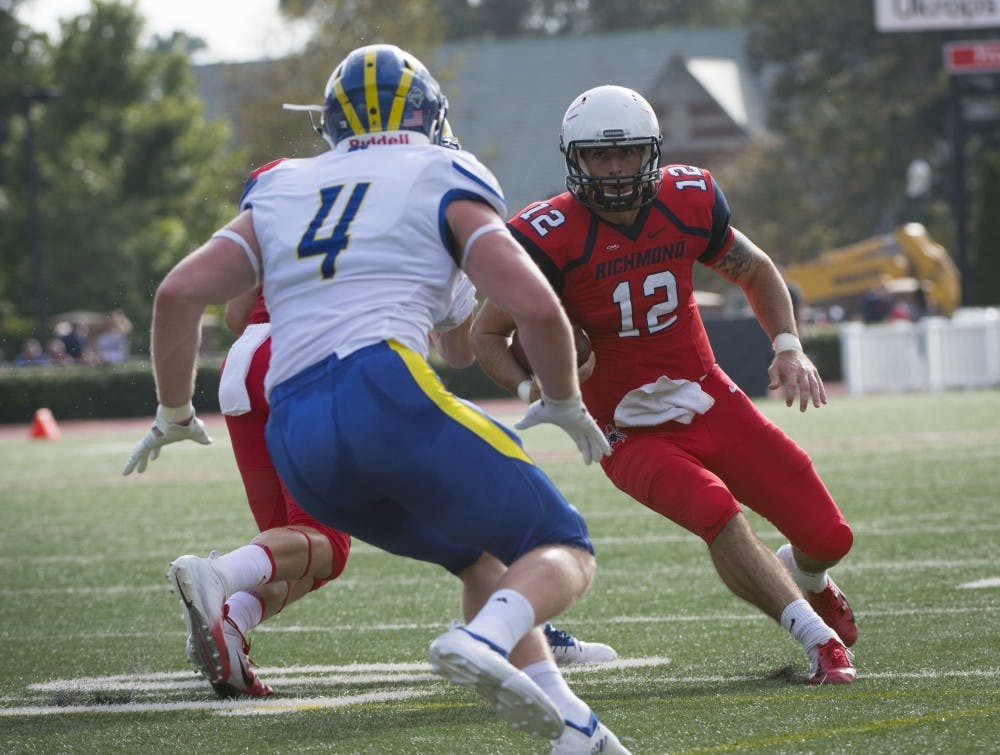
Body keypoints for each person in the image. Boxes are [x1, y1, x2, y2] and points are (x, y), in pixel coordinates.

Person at [123, 44, 627, 753]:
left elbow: (179, 292)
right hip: (381, 388)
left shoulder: (283, 184)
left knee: (479, 556)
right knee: (562, 543)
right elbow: (534, 307)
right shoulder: (444, 170)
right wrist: (565, 398)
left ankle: (571, 726)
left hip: (296, 433)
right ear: (429, 115)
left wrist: (173, 413)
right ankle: (480, 637)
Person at [471, 85, 858, 686]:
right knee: (715, 511)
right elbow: (486, 335)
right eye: (601, 157)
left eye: (627, 153)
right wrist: (538, 394)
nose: (617, 168)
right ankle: (819, 640)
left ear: (651, 151)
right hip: (626, 429)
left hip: (709, 398)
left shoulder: (689, 198)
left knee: (829, 536)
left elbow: (754, 270)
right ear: (576, 161)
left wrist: (789, 348)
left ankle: (807, 578)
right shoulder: (548, 233)